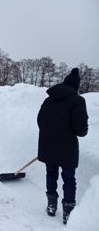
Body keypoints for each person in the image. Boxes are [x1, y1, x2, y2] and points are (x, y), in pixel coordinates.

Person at [37, 68, 88, 225]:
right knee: (69, 178)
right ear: (76, 86)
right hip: (67, 148)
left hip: (48, 144)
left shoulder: (49, 99)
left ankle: (51, 205)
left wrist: (50, 132)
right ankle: (68, 212)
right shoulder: (78, 101)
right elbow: (80, 130)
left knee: (51, 174)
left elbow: (40, 120)